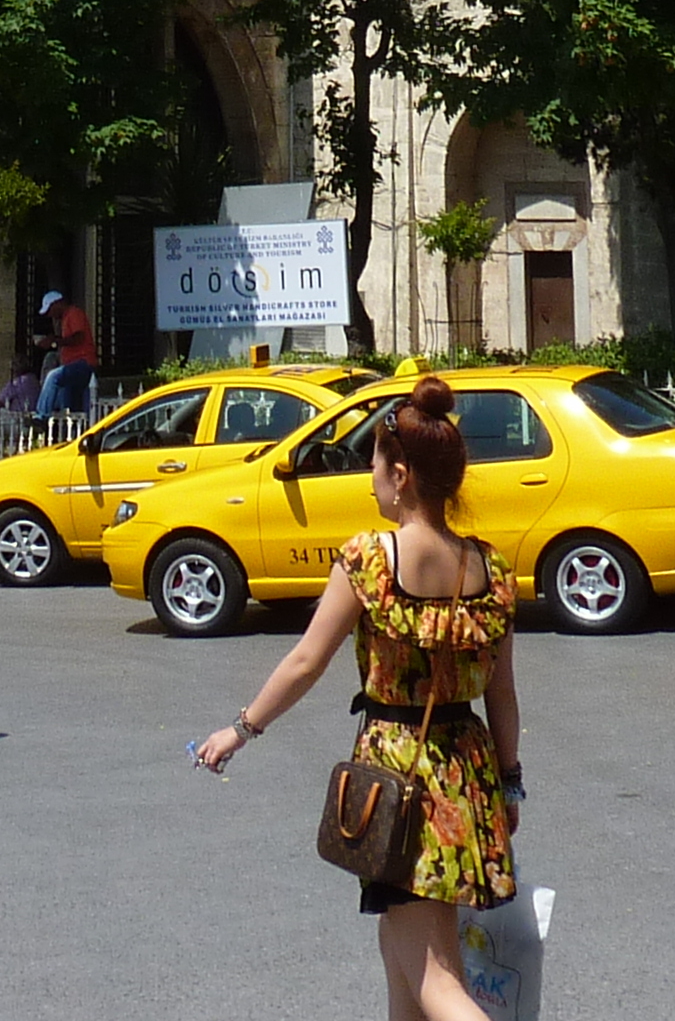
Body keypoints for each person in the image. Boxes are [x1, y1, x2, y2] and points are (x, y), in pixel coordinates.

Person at [193, 376, 521, 1021]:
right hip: (469, 776)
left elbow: (306, 660)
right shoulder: (490, 567)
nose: (368, 478)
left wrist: (241, 728)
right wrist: (510, 787)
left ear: (400, 474)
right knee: (407, 953)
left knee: (434, 977)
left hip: (398, 777)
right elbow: (503, 695)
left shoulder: (370, 559)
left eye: (373, 465)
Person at [34, 288, 96, 418]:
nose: (50, 315)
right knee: (68, 403)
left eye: (50, 310)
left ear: (57, 303)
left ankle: (41, 415)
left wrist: (55, 341)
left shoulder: (74, 313)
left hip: (82, 363)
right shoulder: (66, 318)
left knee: (53, 377)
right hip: (73, 365)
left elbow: (78, 337)